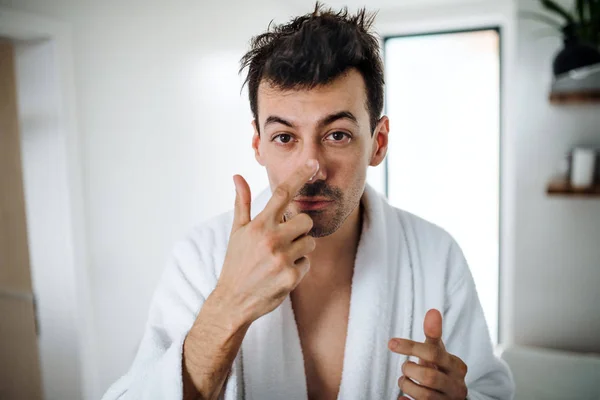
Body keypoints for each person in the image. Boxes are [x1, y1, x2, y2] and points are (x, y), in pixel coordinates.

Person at [103, 4, 514, 400]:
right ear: (258, 144)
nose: (311, 168)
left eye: (337, 134)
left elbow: (490, 391)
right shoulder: (200, 258)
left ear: (378, 142)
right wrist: (229, 304)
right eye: (285, 137)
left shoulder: (435, 257)